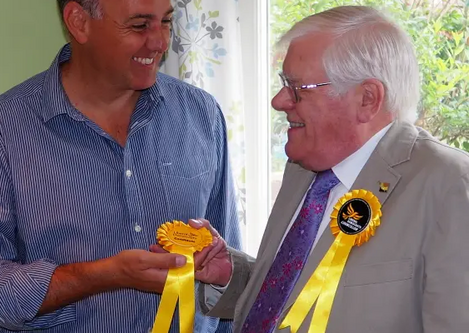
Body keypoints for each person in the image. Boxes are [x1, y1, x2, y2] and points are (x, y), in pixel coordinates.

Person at [192, 5, 469, 333]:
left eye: (297, 88)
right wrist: (231, 275)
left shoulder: (449, 184)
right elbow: (301, 296)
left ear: (367, 99)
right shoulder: (304, 169)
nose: (279, 101)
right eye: (283, 83)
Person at [0, 0, 240, 332]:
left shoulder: (201, 114)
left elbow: (230, 275)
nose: (159, 42)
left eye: (166, 22)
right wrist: (101, 276)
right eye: (140, 25)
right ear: (79, 22)